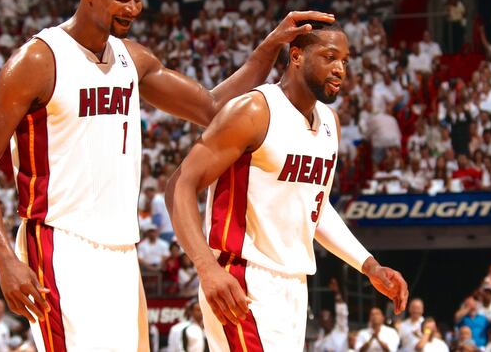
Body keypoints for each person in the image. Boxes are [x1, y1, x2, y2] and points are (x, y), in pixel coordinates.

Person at [0, 0, 333, 352]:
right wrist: (5, 259)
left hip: (121, 248)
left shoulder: (132, 59)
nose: (132, 9)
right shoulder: (39, 59)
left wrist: (268, 47)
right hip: (58, 241)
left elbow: (212, 108)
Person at [166, 20, 408, 351]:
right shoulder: (254, 110)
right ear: (296, 56)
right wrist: (206, 267)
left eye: (345, 61)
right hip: (243, 279)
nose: (339, 69)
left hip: (294, 284)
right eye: (329, 57)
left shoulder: (330, 123)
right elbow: (180, 184)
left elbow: (316, 209)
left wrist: (369, 265)